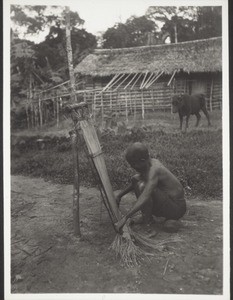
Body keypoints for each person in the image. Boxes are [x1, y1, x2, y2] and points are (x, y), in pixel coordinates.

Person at [115, 142, 186, 233]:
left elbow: (145, 195)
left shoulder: (155, 170)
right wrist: (119, 195)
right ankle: (147, 217)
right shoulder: (150, 162)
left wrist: (125, 218)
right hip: (168, 201)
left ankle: (148, 225)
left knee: (143, 186)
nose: (132, 167)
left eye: (134, 164)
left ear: (143, 160)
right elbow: (137, 180)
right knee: (135, 179)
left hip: (176, 208)